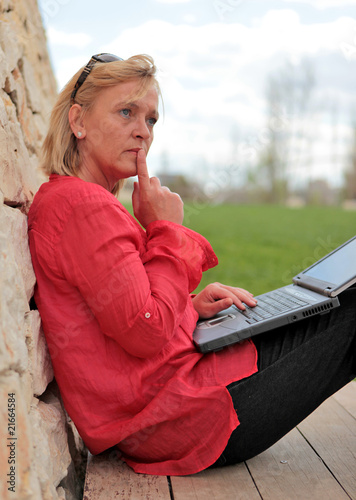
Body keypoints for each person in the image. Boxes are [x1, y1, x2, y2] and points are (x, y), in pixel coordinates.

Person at [28, 53, 356, 476]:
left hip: (176, 399)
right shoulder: (82, 206)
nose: (142, 132)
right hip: (182, 418)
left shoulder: (76, 201)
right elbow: (147, 328)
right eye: (126, 112)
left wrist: (189, 305)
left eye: (151, 120)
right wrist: (165, 228)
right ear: (78, 122)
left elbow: (121, 312)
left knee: (334, 304)